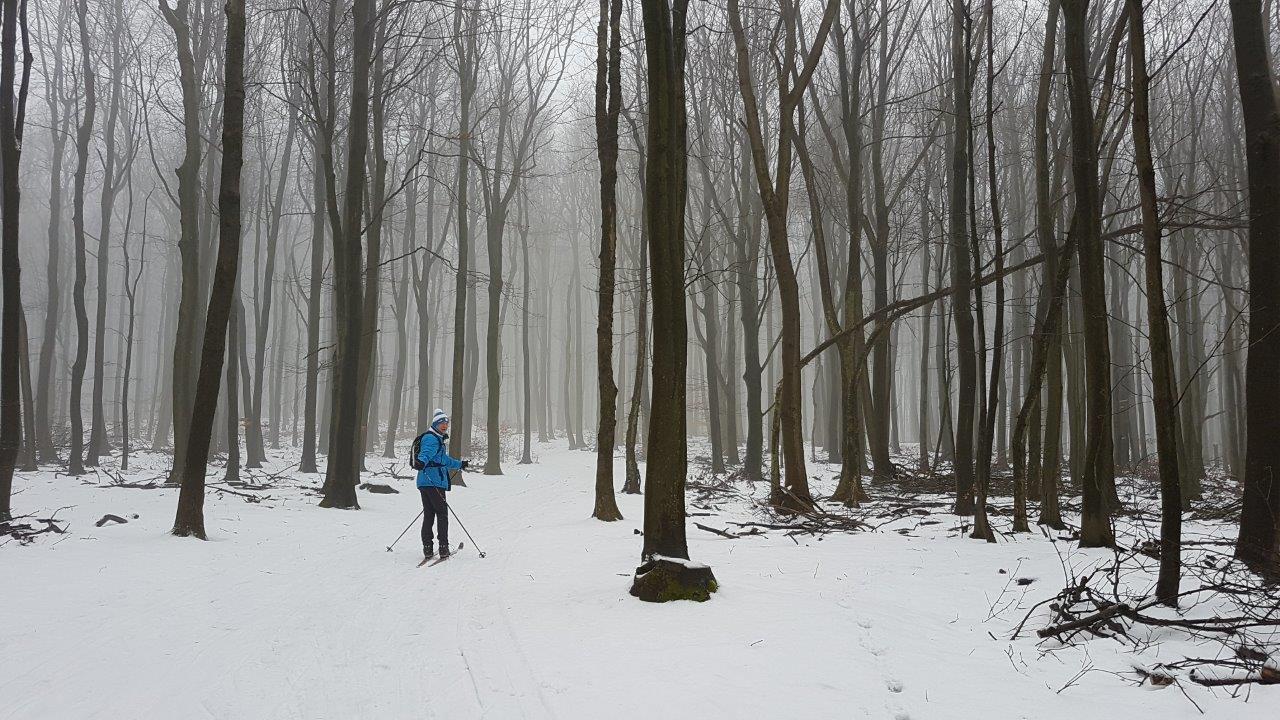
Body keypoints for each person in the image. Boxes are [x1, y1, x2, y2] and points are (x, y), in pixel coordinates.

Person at [416, 409, 469, 559]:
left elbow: (443, 460)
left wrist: (460, 464)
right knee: (441, 514)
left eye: (446, 423)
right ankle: (443, 547)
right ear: (435, 424)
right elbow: (425, 453)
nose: (445, 425)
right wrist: (421, 461)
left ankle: (428, 548)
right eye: (441, 423)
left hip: (425, 482)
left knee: (429, 514)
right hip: (433, 482)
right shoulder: (431, 439)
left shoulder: (437, 439)